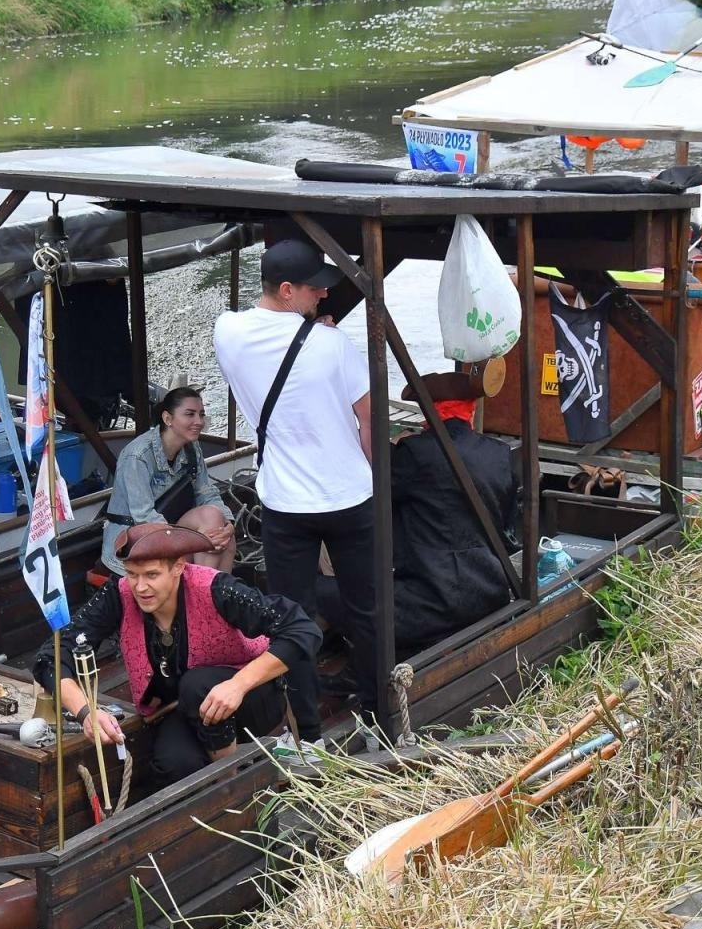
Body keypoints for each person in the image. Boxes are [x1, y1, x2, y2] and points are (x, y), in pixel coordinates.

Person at [213, 238, 377, 711]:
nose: (323, 296)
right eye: (314, 289)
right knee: (365, 607)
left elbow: (251, 325)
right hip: (349, 498)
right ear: (287, 290)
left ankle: (304, 721)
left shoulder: (227, 332)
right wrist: (373, 478)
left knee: (290, 616)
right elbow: (368, 421)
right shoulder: (332, 344)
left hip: (285, 504)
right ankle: (373, 701)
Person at [35, 524, 323, 785]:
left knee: (197, 685)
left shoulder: (216, 588)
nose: (140, 587)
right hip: (181, 709)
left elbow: (302, 631)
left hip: (251, 699)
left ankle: (234, 781)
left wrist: (238, 685)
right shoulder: (120, 593)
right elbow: (52, 655)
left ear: (178, 567)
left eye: (152, 575)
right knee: (174, 765)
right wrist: (86, 711)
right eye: (132, 575)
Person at [389, 371, 518, 649]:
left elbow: (379, 501)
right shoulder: (500, 453)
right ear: (469, 411)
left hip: (428, 602)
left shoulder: (414, 453)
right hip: (490, 592)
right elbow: (510, 527)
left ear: (429, 414)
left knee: (332, 595)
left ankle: (357, 677)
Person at [99, 386, 235, 578]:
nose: (199, 422)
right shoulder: (137, 456)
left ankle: (211, 598)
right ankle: (203, 598)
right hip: (132, 539)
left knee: (223, 534)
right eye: (190, 414)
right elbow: (144, 516)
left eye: (201, 415)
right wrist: (195, 539)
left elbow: (206, 493)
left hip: (171, 526)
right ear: (168, 419)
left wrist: (228, 523)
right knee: (210, 537)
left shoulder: (192, 448)